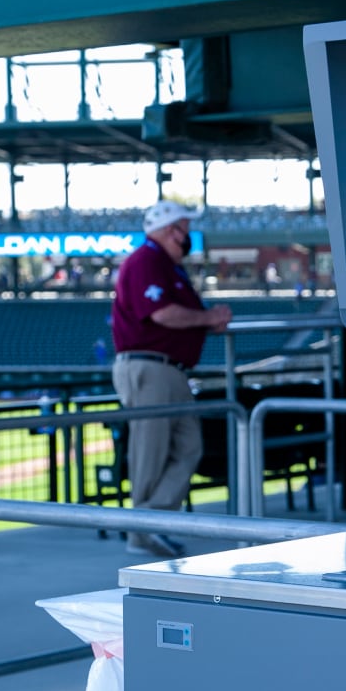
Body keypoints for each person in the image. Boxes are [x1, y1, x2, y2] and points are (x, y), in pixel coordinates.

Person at [110, 200, 233, 557]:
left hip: (169, 369)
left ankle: (151, 522)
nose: (188, 235)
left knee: (189, 446)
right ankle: (142, 531)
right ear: (168, 231)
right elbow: (162, 314)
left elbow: (181, 315)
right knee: (150, 452)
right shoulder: (147, 259)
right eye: (183, 227)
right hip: (150, 368)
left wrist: (207, 320)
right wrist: (208, 319)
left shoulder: (166, 265)